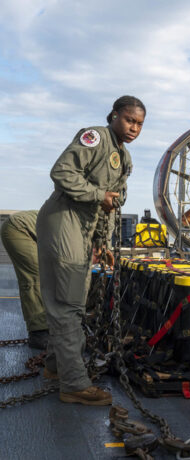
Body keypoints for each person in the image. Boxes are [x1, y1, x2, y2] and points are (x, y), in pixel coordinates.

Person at [37, 96, 146, 406]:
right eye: (129, 120)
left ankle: (56, 367)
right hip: (64, 220)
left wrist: (102, 243)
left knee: (74, 299)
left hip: (84, 229)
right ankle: (73, 384)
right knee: (67, 304)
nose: (134, 128)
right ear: (114, 116)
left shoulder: (123, 157)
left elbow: (109, 207)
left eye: (139, 124)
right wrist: (98, 194)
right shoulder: (96, 138)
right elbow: (61, 172)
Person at [0, 210, 50, 349]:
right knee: (36, 277)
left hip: (30, 230)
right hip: (18, 228)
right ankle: (38, 333)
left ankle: (47, 325)